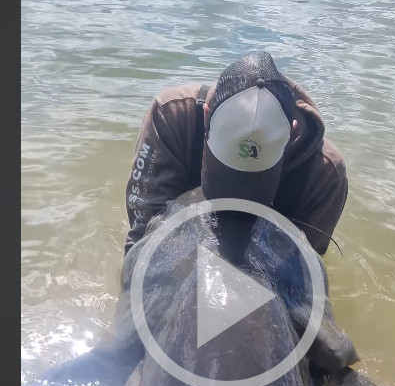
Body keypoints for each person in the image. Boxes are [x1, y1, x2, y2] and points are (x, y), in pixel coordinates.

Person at [122, 51, 349, 256]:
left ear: (291, 132)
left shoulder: (326, 174)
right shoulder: (172, 115)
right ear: (205, 117)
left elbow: (305, 276)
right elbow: (142, 240)